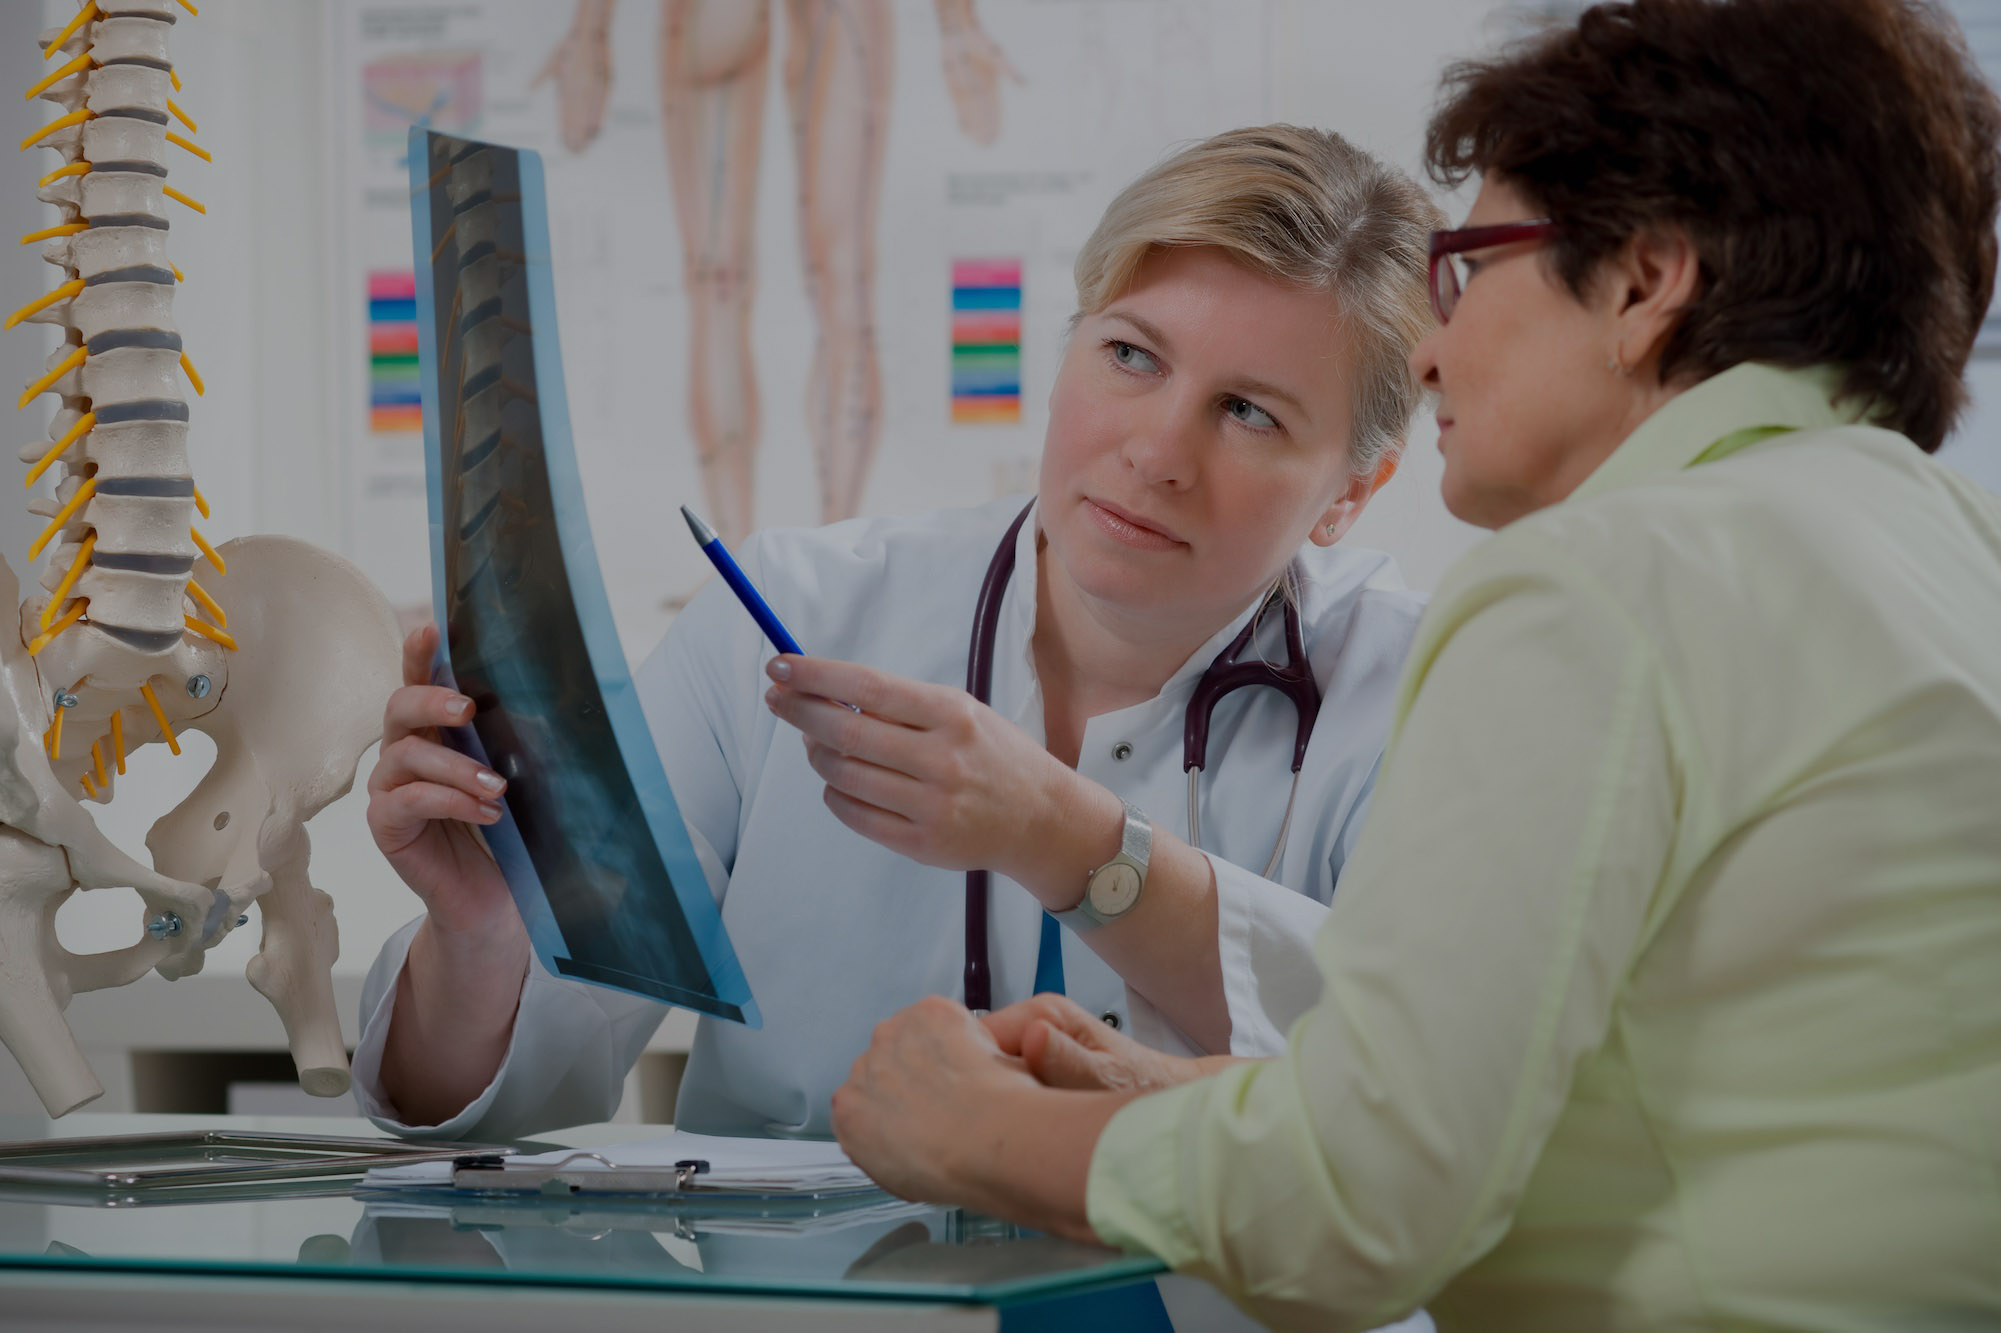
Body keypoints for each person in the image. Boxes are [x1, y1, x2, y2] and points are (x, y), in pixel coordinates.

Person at [827, 2, 2001, 1328]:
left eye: (1469, 268)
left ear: (1642, 283)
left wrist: (969, 1132)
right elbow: (1711, 1110)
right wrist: (1191, 1101)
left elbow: (1360, 1212)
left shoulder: (1602, 585)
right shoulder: (1955, 546)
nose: (1433, 346)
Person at [352, 124, 1446, 1142]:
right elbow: (504, 1115)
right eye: (1132, 356)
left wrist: (1068, 843)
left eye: (1249, 411)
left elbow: (1421, 1100)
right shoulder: (784, 623)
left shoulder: (1423, 695)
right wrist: (486, 937)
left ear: (1353, 490)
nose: (1158, 451)